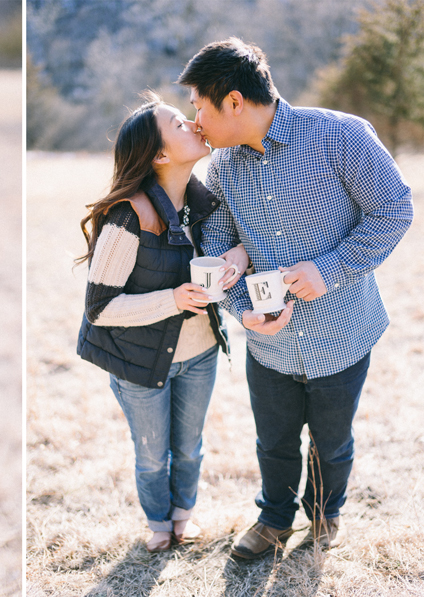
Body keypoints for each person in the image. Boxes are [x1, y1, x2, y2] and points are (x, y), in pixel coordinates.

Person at [177, 37, 413, 559]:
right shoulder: (222, 167)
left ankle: (326, 514)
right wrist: (243, 309)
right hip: (270, 346)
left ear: (233, 101)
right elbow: (217, 243)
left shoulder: (340, 135)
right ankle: (274, 519)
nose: (195, 120)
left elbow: (394, 210)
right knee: (274, 441)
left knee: (332, 444)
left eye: (199, 105)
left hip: (341, 332)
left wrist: (327, 270)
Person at [76, 92, 249, 552]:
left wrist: (240, 256)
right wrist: (172, 299)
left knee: (190, 446)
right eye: (177, 123)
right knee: (153, 454)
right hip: (137, 360)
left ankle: (182, 515)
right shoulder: (126, 216)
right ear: (159, 154)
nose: (193, 123)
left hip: (200, 352)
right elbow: (101, 309)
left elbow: (238, 246)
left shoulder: (206, 202)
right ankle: (157, 521)